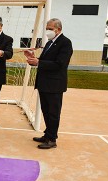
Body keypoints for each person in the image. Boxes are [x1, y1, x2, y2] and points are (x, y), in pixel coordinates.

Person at [25, 18, 73, 149]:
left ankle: (52, 139)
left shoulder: (65, 43)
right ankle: (47, 134)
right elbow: (46, 61)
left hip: (54, 85)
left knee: (53, 112)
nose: (48, 31)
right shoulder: (50, 43)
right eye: (47, 28)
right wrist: (34, 58)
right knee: (46, 111)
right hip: (44, 84)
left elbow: (60, 64)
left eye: (50, 29)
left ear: (58, 29)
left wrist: (39, 62)